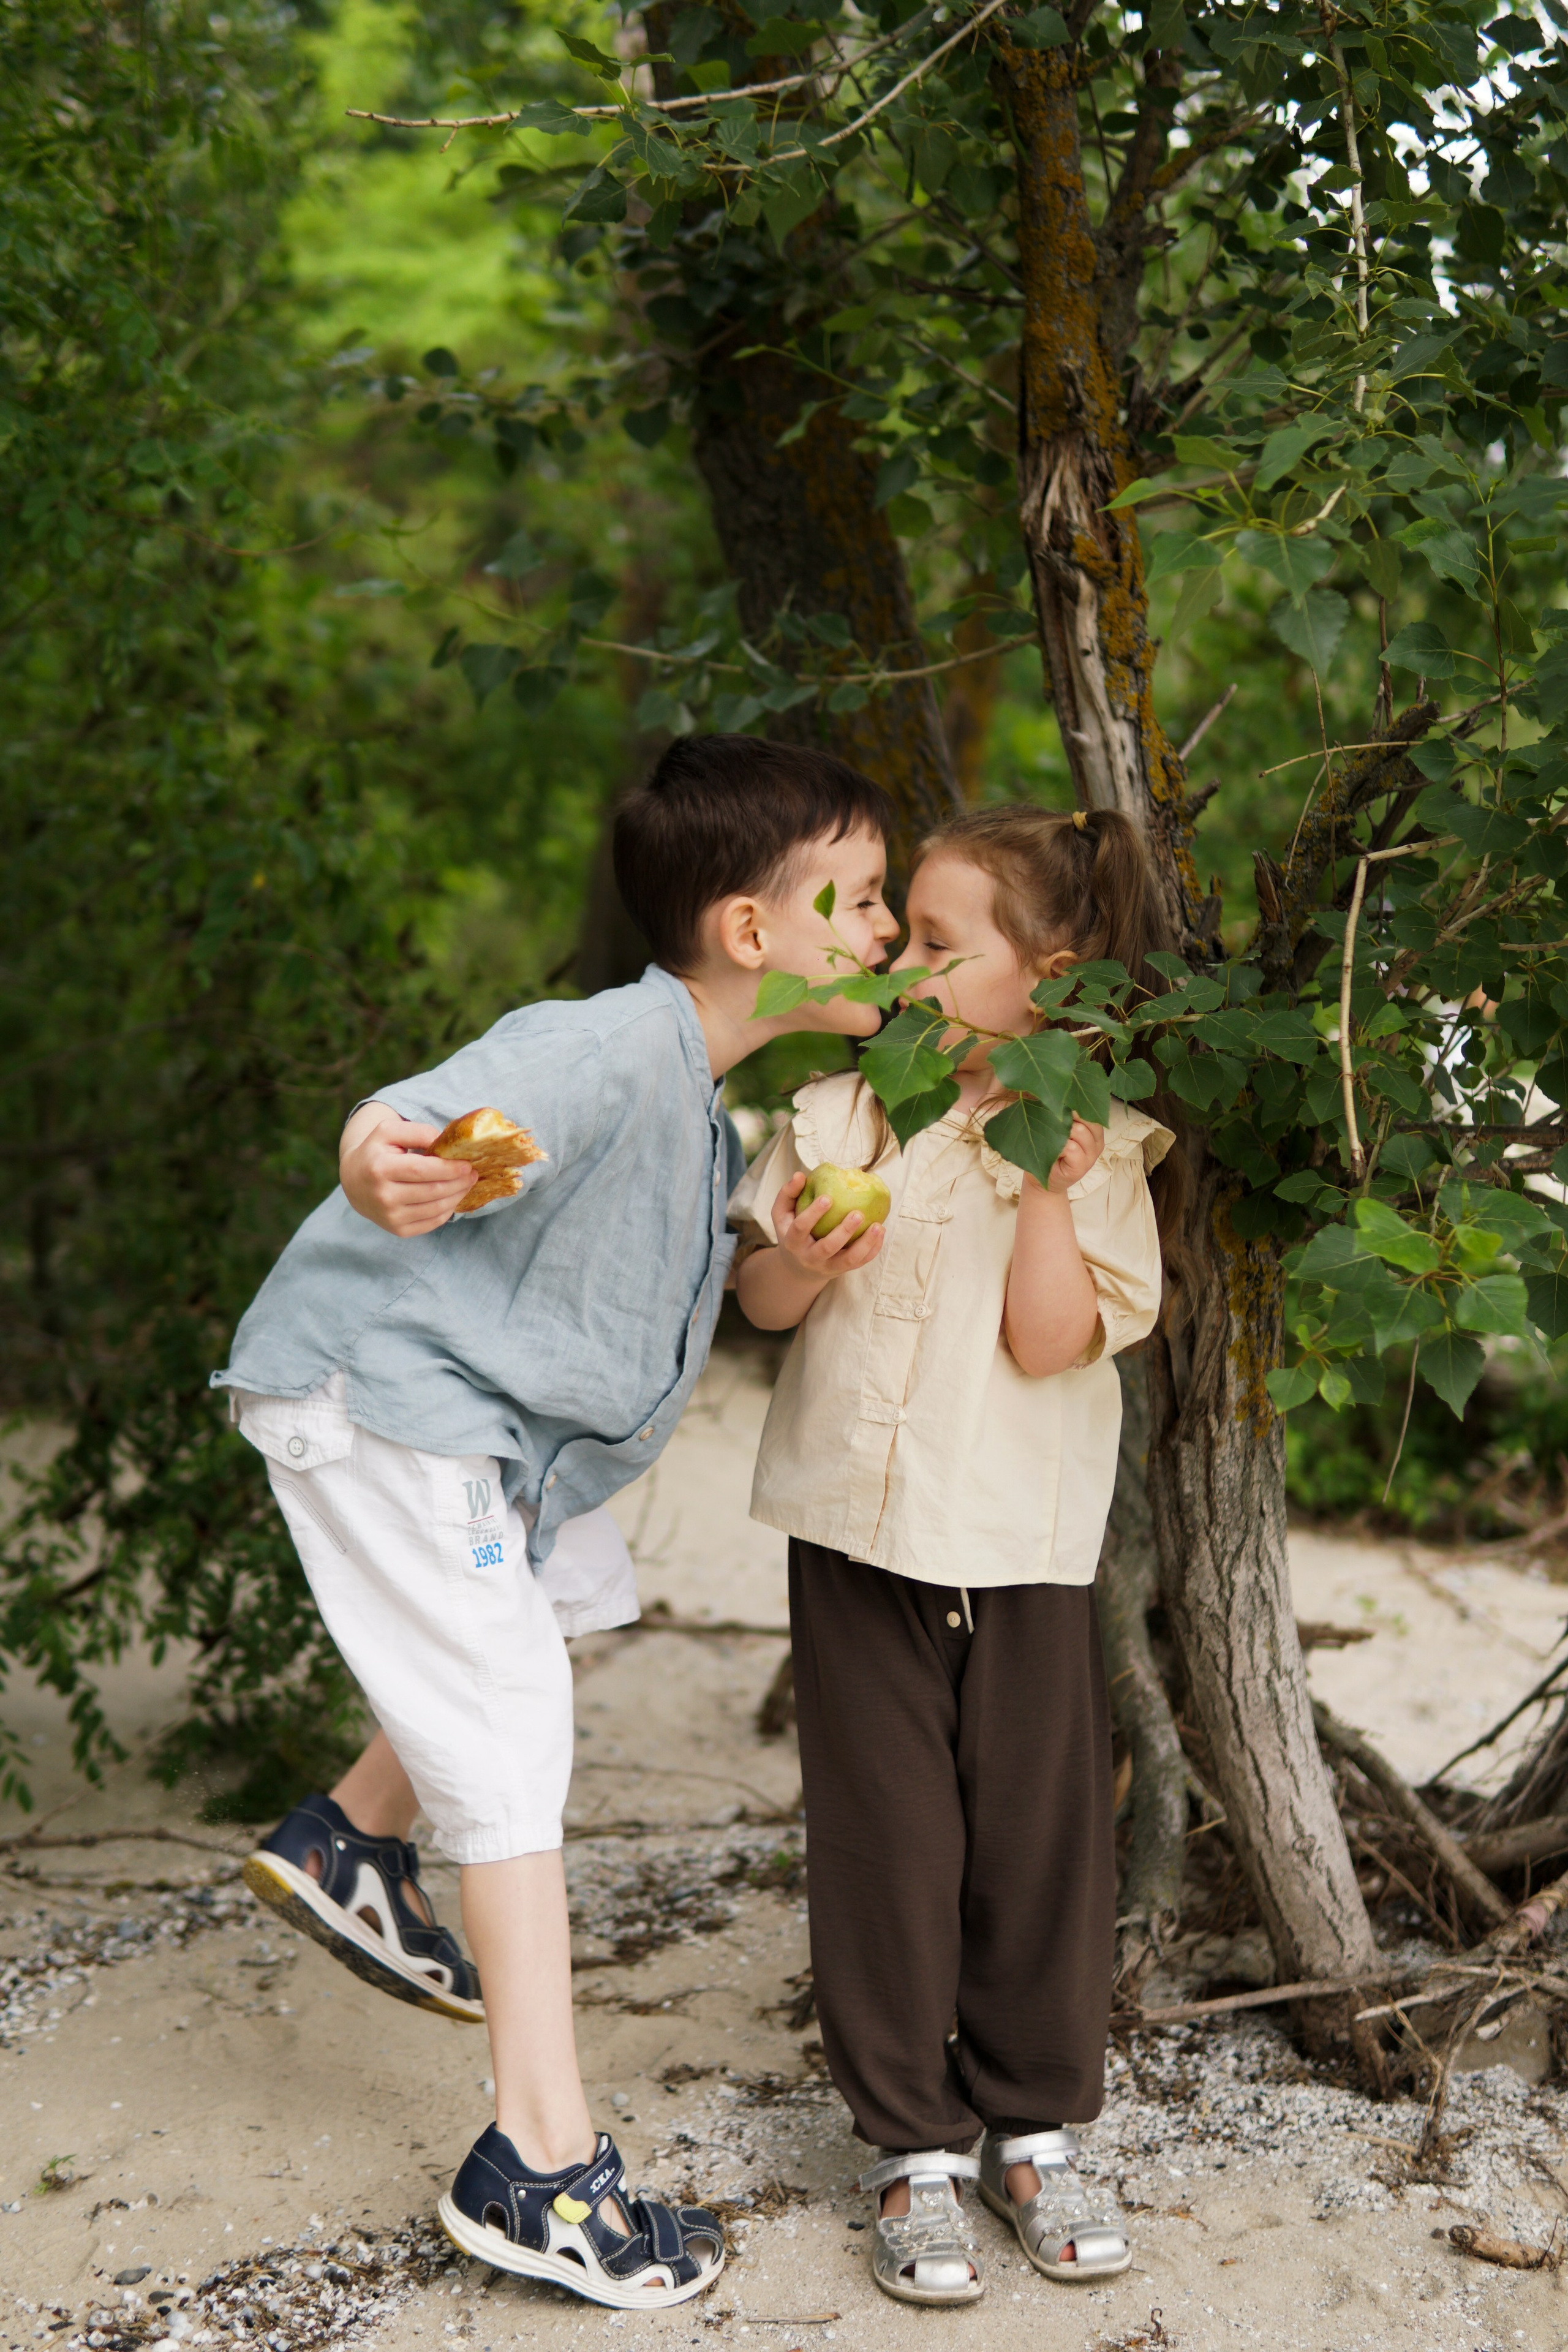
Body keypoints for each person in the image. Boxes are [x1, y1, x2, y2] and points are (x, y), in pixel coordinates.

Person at [211, 735, 898, 2310]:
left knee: (577, 1585)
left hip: (488, 1451)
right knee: (512, 1740)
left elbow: (735, 1294)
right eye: (853, 900)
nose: (877, 933)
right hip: (386, 1405)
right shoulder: (608, 1045)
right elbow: (429, 1109)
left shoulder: (702, 1108)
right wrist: (378, 1155)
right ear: (747, 933)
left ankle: (351, 1835)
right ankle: (541, 2168)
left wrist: (790, 1249)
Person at [729, 804, 1183, 2306]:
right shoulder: (853, 1111)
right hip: (860, 1535)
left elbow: (1052, 1339)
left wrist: (1039, 1164)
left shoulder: (1097, 1150)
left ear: (1047, 984)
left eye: (939, 944)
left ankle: (1035, 2128)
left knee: (1040, 1846)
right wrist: (801, 1252)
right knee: (885, 1841)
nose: (903, 965)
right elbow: (764, 1308)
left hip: (1021, 1548)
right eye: (901, 935)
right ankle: (908, 2147)